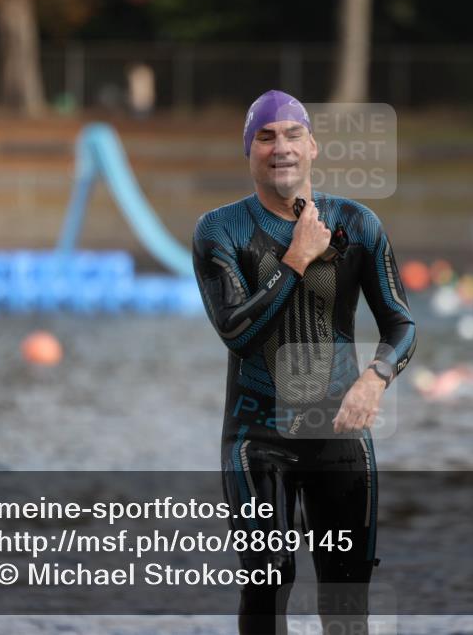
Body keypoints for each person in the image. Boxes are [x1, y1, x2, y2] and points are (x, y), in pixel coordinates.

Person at [192, 89, 416, 635]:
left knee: (346, 599)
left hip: (338, 433)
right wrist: (295, 258)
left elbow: (401, 325)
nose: (280, 147)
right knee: (269, 577)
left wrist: (375, 378)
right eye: (265, 137)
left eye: (292, 134)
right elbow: (236, 333)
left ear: (312, 146)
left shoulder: (358, 224)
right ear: (250, 153)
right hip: (255, 435)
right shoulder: (219, 231)